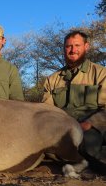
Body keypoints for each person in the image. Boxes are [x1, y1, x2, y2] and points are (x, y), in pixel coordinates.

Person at [43, 30, 106, 168]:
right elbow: (46, 111)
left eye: (77, 45)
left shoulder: (101, 73)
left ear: (86, 46)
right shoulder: (52, 79)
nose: (72, 50)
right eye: (68, 46)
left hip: (91, 127)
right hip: (62, 129)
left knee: (88, 148)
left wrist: (90, 123)